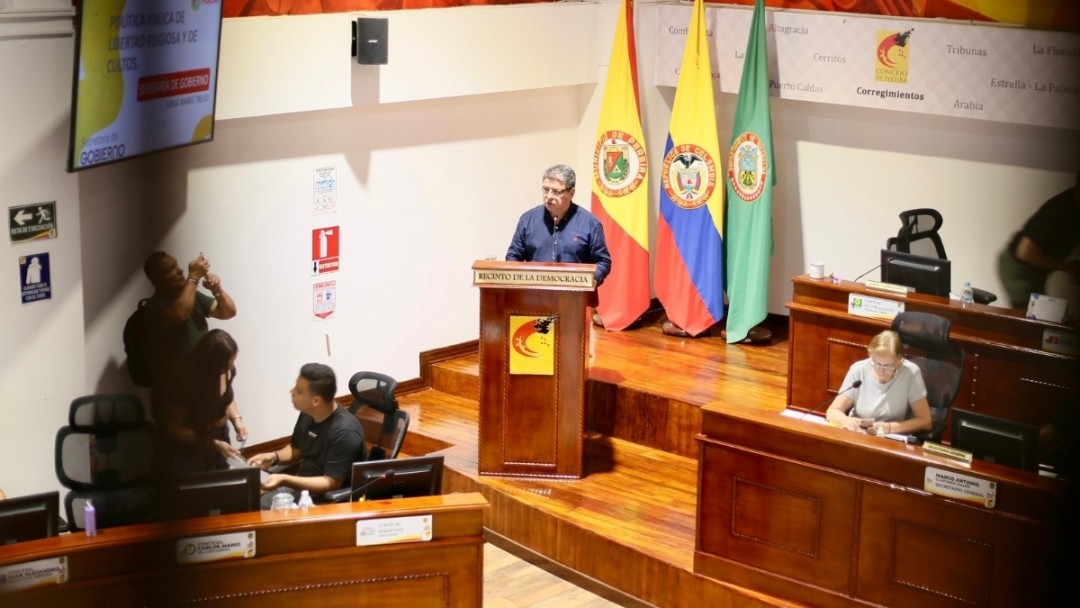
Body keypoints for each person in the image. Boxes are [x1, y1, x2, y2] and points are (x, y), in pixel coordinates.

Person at [139, 251, 241, 427]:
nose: (180, 270)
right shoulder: (153, 308)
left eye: (177, 264)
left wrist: (217, 290)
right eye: (171, 269)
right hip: (179, 396)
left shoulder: (192, 297)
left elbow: (228, 312)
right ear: (156, 278)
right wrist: (193, 278)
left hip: (205, 390)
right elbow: (180, 314)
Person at [247, 363, 367, 508]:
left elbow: (330, 482)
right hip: (301, 487)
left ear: (316, 400)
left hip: (322, 501)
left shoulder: (345, 432)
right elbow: (297, 449)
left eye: (298, 390)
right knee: (247, 498)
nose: (291, 392)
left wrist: (285, 479)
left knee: (256, 509)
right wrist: (273, 457)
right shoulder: (309, 413)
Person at [506, 164, 612, 286]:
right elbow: (513, 257)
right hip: (533, 296)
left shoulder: (590, 223)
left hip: (575, 298)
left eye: (556, 191)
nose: (549, 196)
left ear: (571, 193)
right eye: (546, 189)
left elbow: (603, 262)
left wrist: (590, 280)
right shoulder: (528, 220)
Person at [158, 329, 245, 474]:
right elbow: (174, 428)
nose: (231, 366)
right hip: (193, 442)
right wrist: (211, 444)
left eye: (232, 361)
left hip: (220, 435)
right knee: (200, 487)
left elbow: (227, 398)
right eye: (227, 364)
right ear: (212, 364)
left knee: (223, 481)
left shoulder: (229, 370)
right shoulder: (185, 381)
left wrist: (237, 420)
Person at [997, 171, 1080, 311]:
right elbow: (1025, 251)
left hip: (1036, 272)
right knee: (1033, 318)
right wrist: (1067, 266)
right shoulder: (1060, 209)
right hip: (1018, 268)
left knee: (1042, 315)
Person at [825, 330, 932, 436]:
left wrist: (889, 428)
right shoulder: (859, 369)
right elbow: (832, 411)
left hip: (891, 437)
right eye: (877, 363)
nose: (881, 370)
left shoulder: (910, 373)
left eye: (888, 366)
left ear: (899, 361)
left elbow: (926, 421)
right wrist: (848, 421)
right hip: (858, 434)